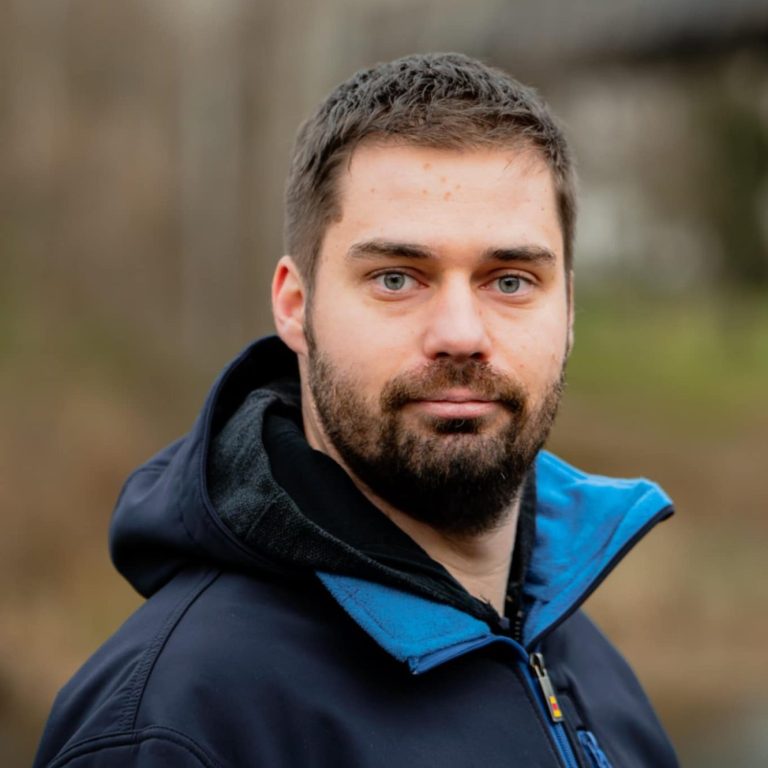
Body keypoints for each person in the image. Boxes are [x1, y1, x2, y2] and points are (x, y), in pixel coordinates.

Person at [34, 52, 679, 768]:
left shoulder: (590, 669)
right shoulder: (177, 725)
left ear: (569, 309)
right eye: (397, 278)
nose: (460, 333)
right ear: (295, 305)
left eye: (510, 280)